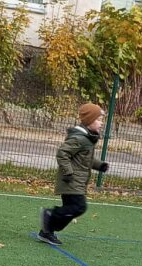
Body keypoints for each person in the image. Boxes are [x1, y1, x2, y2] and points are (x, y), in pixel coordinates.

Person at [37, 103, 109, 246]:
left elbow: (84, 158)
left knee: (72, 209)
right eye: (98, 120)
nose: (101, 123)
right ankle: (49, 216)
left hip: (76, 181)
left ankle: (47, 231)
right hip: (71, 180)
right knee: (79, 207)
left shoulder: (86, 138)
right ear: (89, 121)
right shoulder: (79, 138)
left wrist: (99, 165)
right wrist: (68, 172)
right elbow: (62, 153)